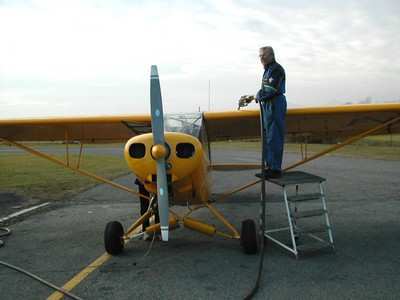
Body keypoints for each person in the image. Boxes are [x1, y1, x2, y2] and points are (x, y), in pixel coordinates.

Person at [256, 46, 287, 178]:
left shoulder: (276, 69)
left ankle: (275, 169)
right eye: (259, 55)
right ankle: (269, 166)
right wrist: (259, 94)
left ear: (271, 55)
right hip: (267, 105)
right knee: (268, 137)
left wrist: (259, 95)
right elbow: (265, 89)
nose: (261, 58)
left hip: (275, 104)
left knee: (274, 136)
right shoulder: (267, 70)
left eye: (263, 55)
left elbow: (270, 89)